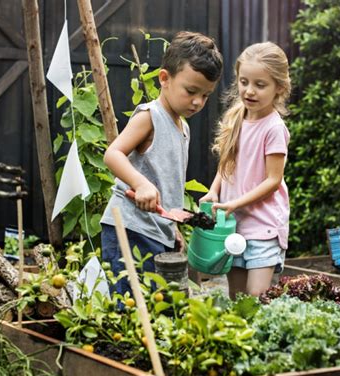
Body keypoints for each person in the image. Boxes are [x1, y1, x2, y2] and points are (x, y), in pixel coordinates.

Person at [101, 31, 223, 295]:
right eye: (191, 91)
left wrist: (173, 227)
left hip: (158, 231)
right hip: (129, 228)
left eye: (205, 95)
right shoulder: (150, 116)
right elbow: (112, 154)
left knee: (158, 308)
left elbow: (169, 182)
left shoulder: (183, 128)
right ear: (165, 78)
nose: (197, 102)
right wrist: (140, 183)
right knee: (130, 308)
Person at [200, 42, 291, 299]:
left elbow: (273, 180)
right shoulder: (237, 116)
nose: (249, 91)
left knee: (256, 297)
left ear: (279, 88)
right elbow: (227, 161)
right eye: (244, 82)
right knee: (237, 297)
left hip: (263, 227)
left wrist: (235, 202)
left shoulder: (273, 128)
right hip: (233, 224)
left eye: (260, 85)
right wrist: (214, 191)